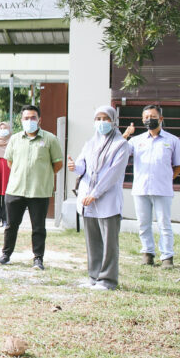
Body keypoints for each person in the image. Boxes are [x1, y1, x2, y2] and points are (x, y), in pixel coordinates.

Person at [69, 106, 134, 290]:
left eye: (106, 118)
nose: (102, 122)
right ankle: (94, 277)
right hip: (87, 199)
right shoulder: (90, 143)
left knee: (109, 244)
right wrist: (75, 167)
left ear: (114, 121)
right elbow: (83, 165)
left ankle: (107, 280)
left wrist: (95, 194)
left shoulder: (121, 144)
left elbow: (113, 174)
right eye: (98, 118)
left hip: (107, 200)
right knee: (93, 242)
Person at [0, 106, 63, 270]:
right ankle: (6, 255)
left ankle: (38, 258)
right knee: (11, 225)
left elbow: (58, 164)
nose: (29, 121)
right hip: (15, 189)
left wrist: (42, 175)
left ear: (39, 120)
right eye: (26, 118)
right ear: (21, 120)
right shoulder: (15, 139)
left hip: (39, 191)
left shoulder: (50, 139)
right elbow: (10, 162)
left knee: (38, 227)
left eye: (33, 118)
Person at [123, 105, 180, 267]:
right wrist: (126, 135)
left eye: (153, 117)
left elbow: (177, 165)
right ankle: (147, 254)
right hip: (141, 189)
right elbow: (119, 151)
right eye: (146, 117)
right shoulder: (136, 141)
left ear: (161, 119)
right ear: (142, 120)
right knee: (143, 224)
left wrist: (167, 178)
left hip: (162, 189)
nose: (149, 120)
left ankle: (167, 257)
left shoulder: (172, 140)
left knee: (164, 224)